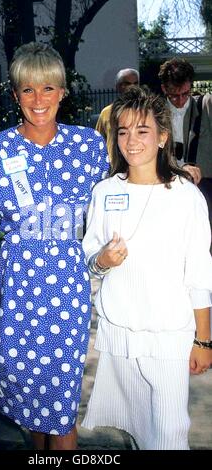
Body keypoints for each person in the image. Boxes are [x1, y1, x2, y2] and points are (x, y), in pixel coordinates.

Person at [0, 42, 109, 451]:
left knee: (61, 416)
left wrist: (173, 173)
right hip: (17, 294)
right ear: (15, 95)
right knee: (31, 410)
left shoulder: (89, 147)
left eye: (48, 89)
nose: (38, 99)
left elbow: (121, 199)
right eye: (28, 90)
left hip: (67, 292)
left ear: (63, 92)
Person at [81, 86, 212, 450]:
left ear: (162, 137)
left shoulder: (185, 195)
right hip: (121, 334)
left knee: (171, 433)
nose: (131, 140)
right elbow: (90, 254)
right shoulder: (105, 191)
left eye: (142, 130)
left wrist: (203, 339)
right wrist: (102, 260)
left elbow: (200, 271)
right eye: (123, 131)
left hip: (170, 334)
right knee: (140, 431)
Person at [158, 57, 212, 186]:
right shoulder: (156, 113)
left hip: (204, 181)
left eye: (186, 93)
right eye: (174, 95)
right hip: (169, 181)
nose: (181, 101)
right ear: (164, 89)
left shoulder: (207, 104)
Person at [94, 68, 139, 159]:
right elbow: (98, 142)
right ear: (118, 86)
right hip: (113, 167)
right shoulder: (106, 113)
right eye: (127, 83)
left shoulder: (146, 111)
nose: (132, 87)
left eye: (135, 83)